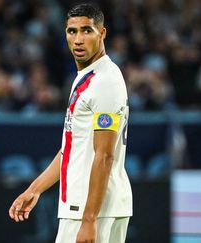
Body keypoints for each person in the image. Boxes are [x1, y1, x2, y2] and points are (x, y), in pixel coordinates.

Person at [9, 3, 132, 243]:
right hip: (90, 208)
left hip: (90, 210)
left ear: (102, 33)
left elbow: (104, 155)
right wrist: (34, 189)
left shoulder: (104, 81)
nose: (78, 39)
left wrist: (89, 220)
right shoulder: (87, 77)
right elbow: (70, 148)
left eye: (87, 30)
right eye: (71, 31)